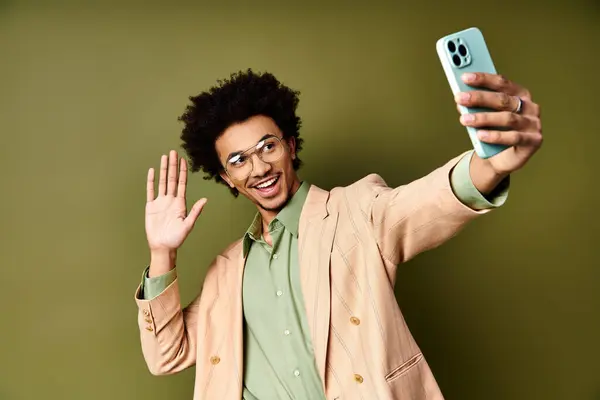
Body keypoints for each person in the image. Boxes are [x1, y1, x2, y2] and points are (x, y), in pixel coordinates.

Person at [134, 69, 542, 399]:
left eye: (267, 147)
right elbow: (165, 356)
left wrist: (492, 164)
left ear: (291, 146)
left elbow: (427, 201)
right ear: (227, 177)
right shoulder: (226, 272)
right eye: (239, 160)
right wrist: (162, 252)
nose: (258, 168)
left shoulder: (357, 211)